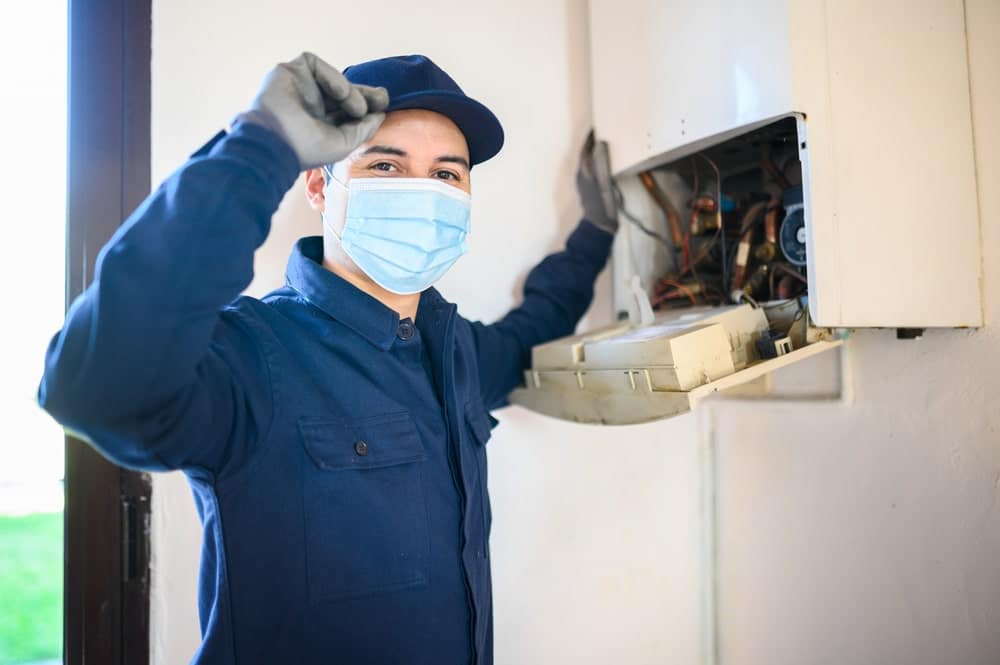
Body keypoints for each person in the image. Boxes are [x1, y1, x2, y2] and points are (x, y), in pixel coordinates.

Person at [39, 52, 618, 664]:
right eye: (386, 165)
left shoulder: (455, 351)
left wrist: (597, 231)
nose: (421, 193)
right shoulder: (253, 356)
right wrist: (263, 144)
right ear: (319, 184)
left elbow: (534, 330)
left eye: (446, 175)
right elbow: (96, 388)